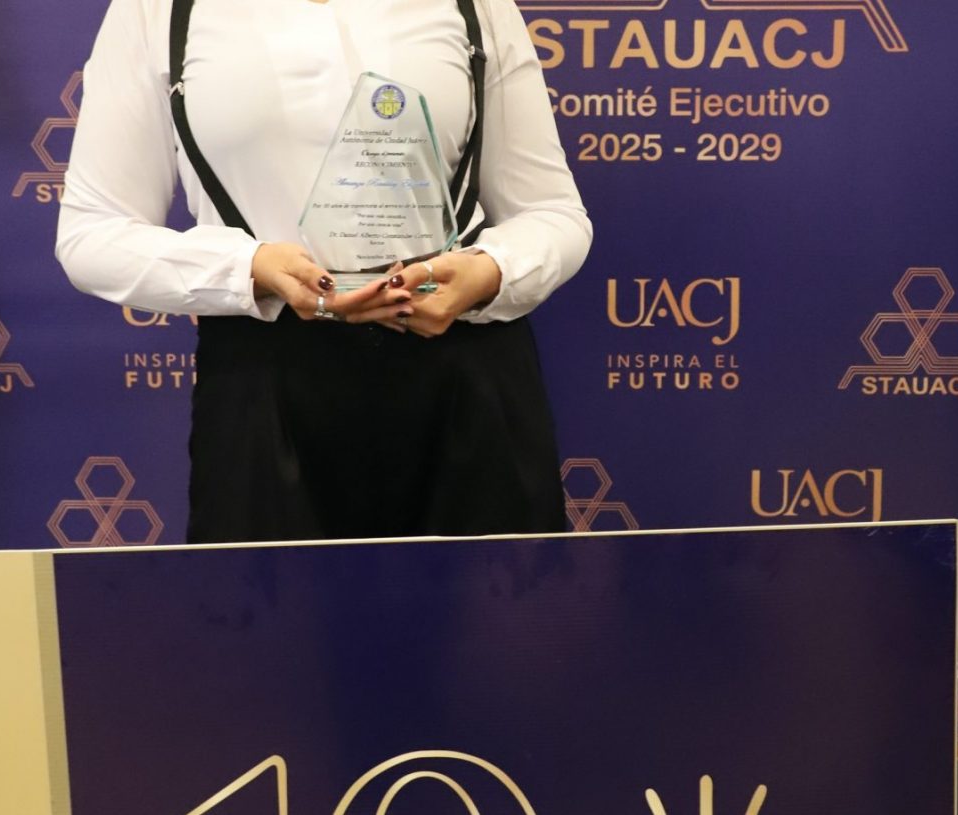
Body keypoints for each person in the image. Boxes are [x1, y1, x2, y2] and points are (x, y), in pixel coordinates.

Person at [56, 0, 592, 543]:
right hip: (266, 384)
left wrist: (490, 271)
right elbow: (92, 234)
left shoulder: (479, 6)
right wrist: (249, 267)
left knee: (496, 601)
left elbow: (552, 212)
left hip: (467, 381)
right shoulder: (156, 10)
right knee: (266, 601)